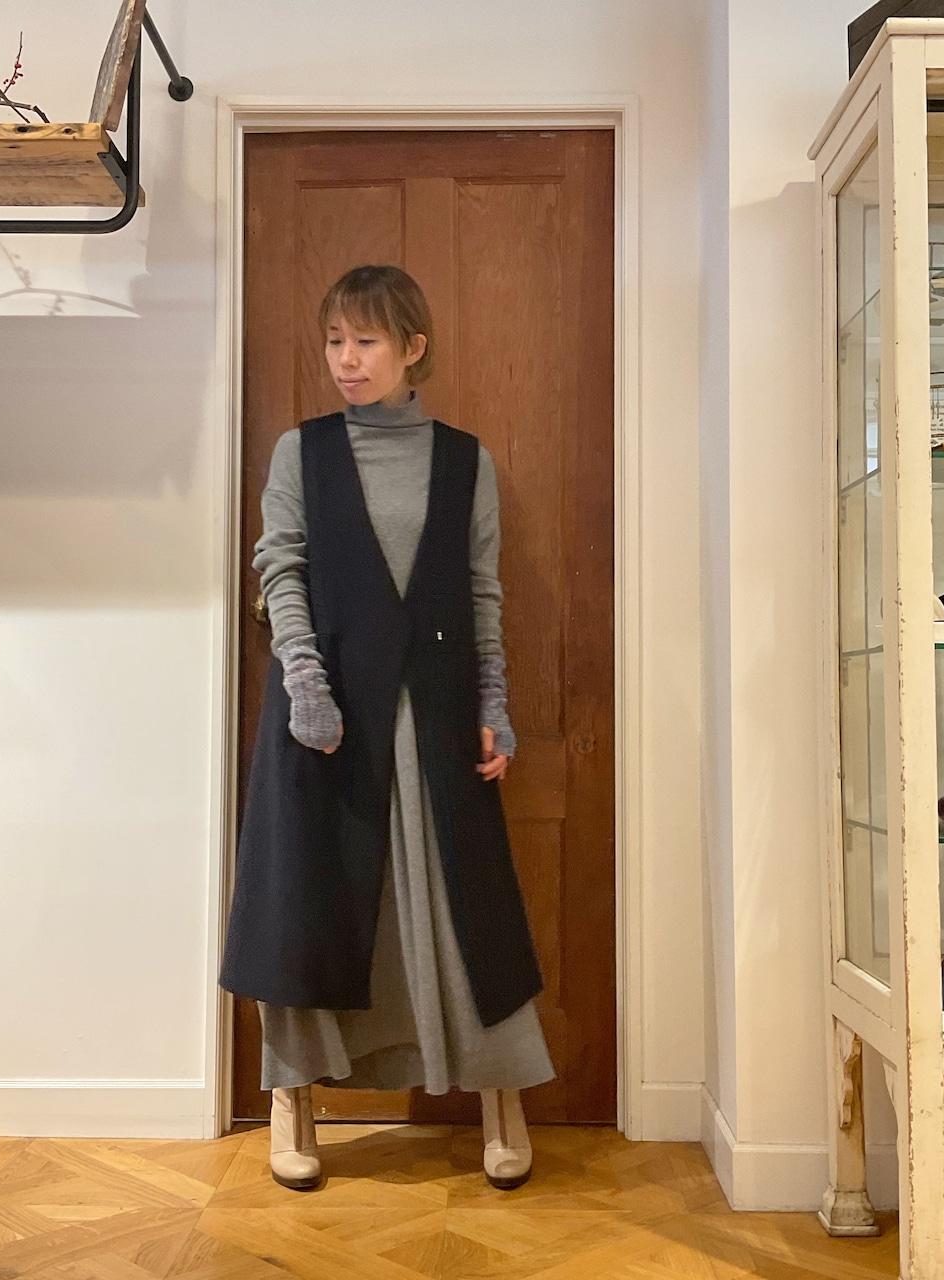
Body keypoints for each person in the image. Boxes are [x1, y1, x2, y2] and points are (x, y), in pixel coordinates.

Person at [219, 264, 554, 1192]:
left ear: (413, 347)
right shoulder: (303, 452)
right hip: (323, 723)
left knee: (465, 909)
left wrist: (493, 707)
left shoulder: (465, 461)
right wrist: (305, 687)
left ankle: (500, 1096)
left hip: (436, 719)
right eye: (334, 340)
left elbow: (481, 594)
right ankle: (292, 1100)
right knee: (308, 908)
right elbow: (279, 569)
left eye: (365, 341)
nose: (346, 359)